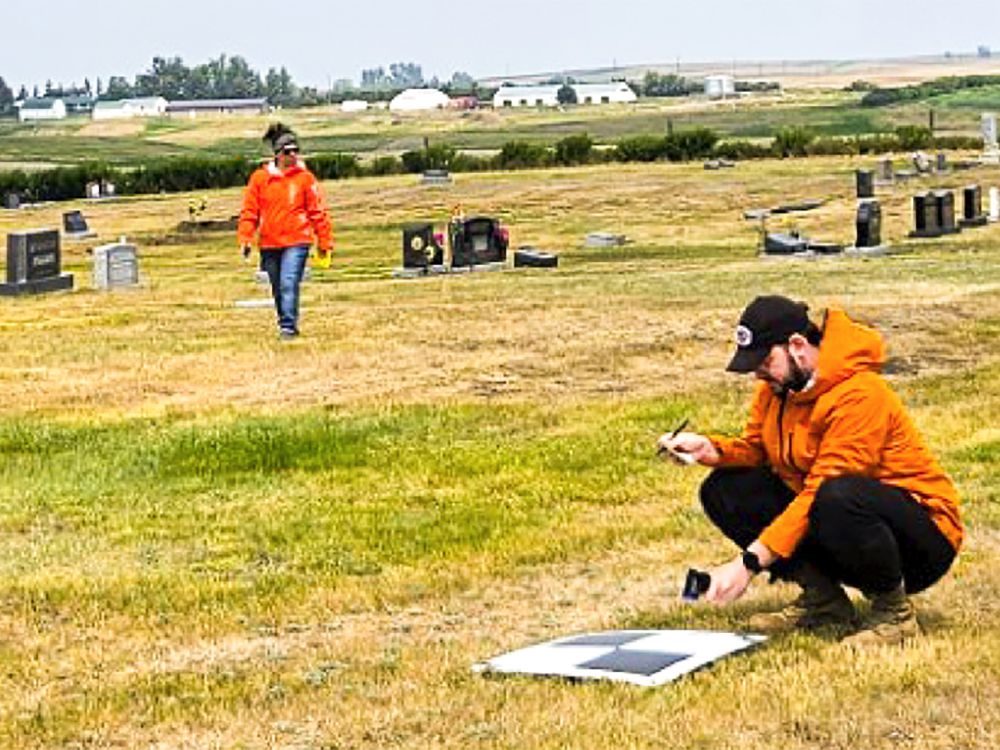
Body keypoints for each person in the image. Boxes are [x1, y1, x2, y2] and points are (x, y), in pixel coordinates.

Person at [658, 295, 963, 647]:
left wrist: (748, 564)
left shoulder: (860, 394)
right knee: (726, 489)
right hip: (839, 521)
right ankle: (824, 601)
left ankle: (894, 613)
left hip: (922, 541)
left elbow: (821, 488)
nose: (757, 373)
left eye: (764, 361)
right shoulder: (778, 387)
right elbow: (758, 449)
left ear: (798, 346)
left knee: (837, 494)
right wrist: (711, 449)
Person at [238, 124, 333, 339]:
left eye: (296, 150)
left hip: (298, 240)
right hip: (270, 242)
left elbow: (318, 211)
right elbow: (250, 211)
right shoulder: (260, 179)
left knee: (289, 282)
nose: (293, 155)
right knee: (278, 286)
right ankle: (285, 320)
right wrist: (245, 238)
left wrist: (324, 241)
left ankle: (288, 327)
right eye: (287, 151)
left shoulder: (305, 179)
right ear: (277, 154)